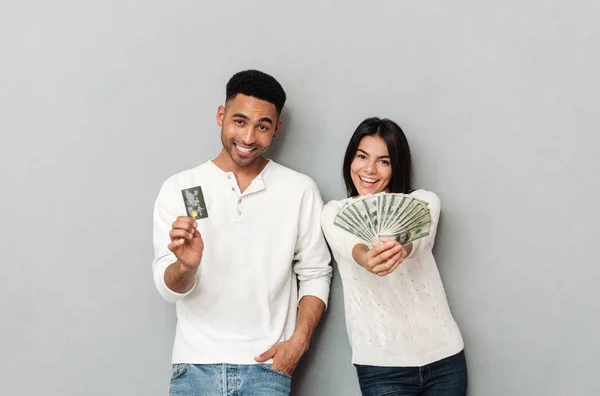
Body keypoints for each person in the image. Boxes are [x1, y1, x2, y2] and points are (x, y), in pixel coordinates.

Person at [152, 69, 332, 395]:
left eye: (262, 126)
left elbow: (316, 272)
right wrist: (185, 266)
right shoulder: (184, 187)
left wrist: (298, 343)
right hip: (195, 367)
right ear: (221, 116)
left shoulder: (299, 190)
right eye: (239, 121)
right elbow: (168, 288)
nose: (248, 138)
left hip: (267, 369)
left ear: (276, 128)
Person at [321, 117, 467, 396]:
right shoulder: (334, 213)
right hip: (380, 366)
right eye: (362, 156)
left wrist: (401, 248)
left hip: (444, 356)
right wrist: (366, 257)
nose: (369, 169)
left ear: (397, 165)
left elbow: (418, 240)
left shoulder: (425, 201)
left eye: (384, 161)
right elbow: (348, 244)